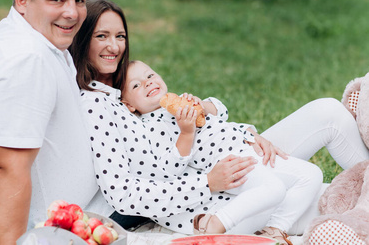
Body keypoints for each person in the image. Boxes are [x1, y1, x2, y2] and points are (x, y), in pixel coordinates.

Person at [70, 0, 369, 239]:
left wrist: (247, 134)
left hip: (228, 161)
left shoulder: (126, 83)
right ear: (84, 41)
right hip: (212, 201)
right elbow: (127, 194)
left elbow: (211, 119)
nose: (114, 46)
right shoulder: (98, 105)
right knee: (330, 197)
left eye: (120, 35)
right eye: (101, 36)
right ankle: (276, 228)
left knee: (327, 112)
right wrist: (208, 182)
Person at [0, 0, 110, 244]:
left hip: (95, 195)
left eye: (80, 0)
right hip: (74, 221)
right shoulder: (25, 60)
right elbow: (10, 167)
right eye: (57, 0)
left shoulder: (33, 39)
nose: (73, 13)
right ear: (22, 0)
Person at [120, 60, 323, 243]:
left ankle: (274, 231)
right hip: (229, 163)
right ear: (129, 104)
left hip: (246, 148)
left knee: (312, 174)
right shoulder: (149, 128)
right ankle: (214, 224)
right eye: (136, 85)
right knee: (274, 188)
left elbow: (222, 110)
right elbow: (171, 167)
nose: (147, 82)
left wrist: (203, 105)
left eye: (150, 75)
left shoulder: (181, 101)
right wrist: (186, 132)